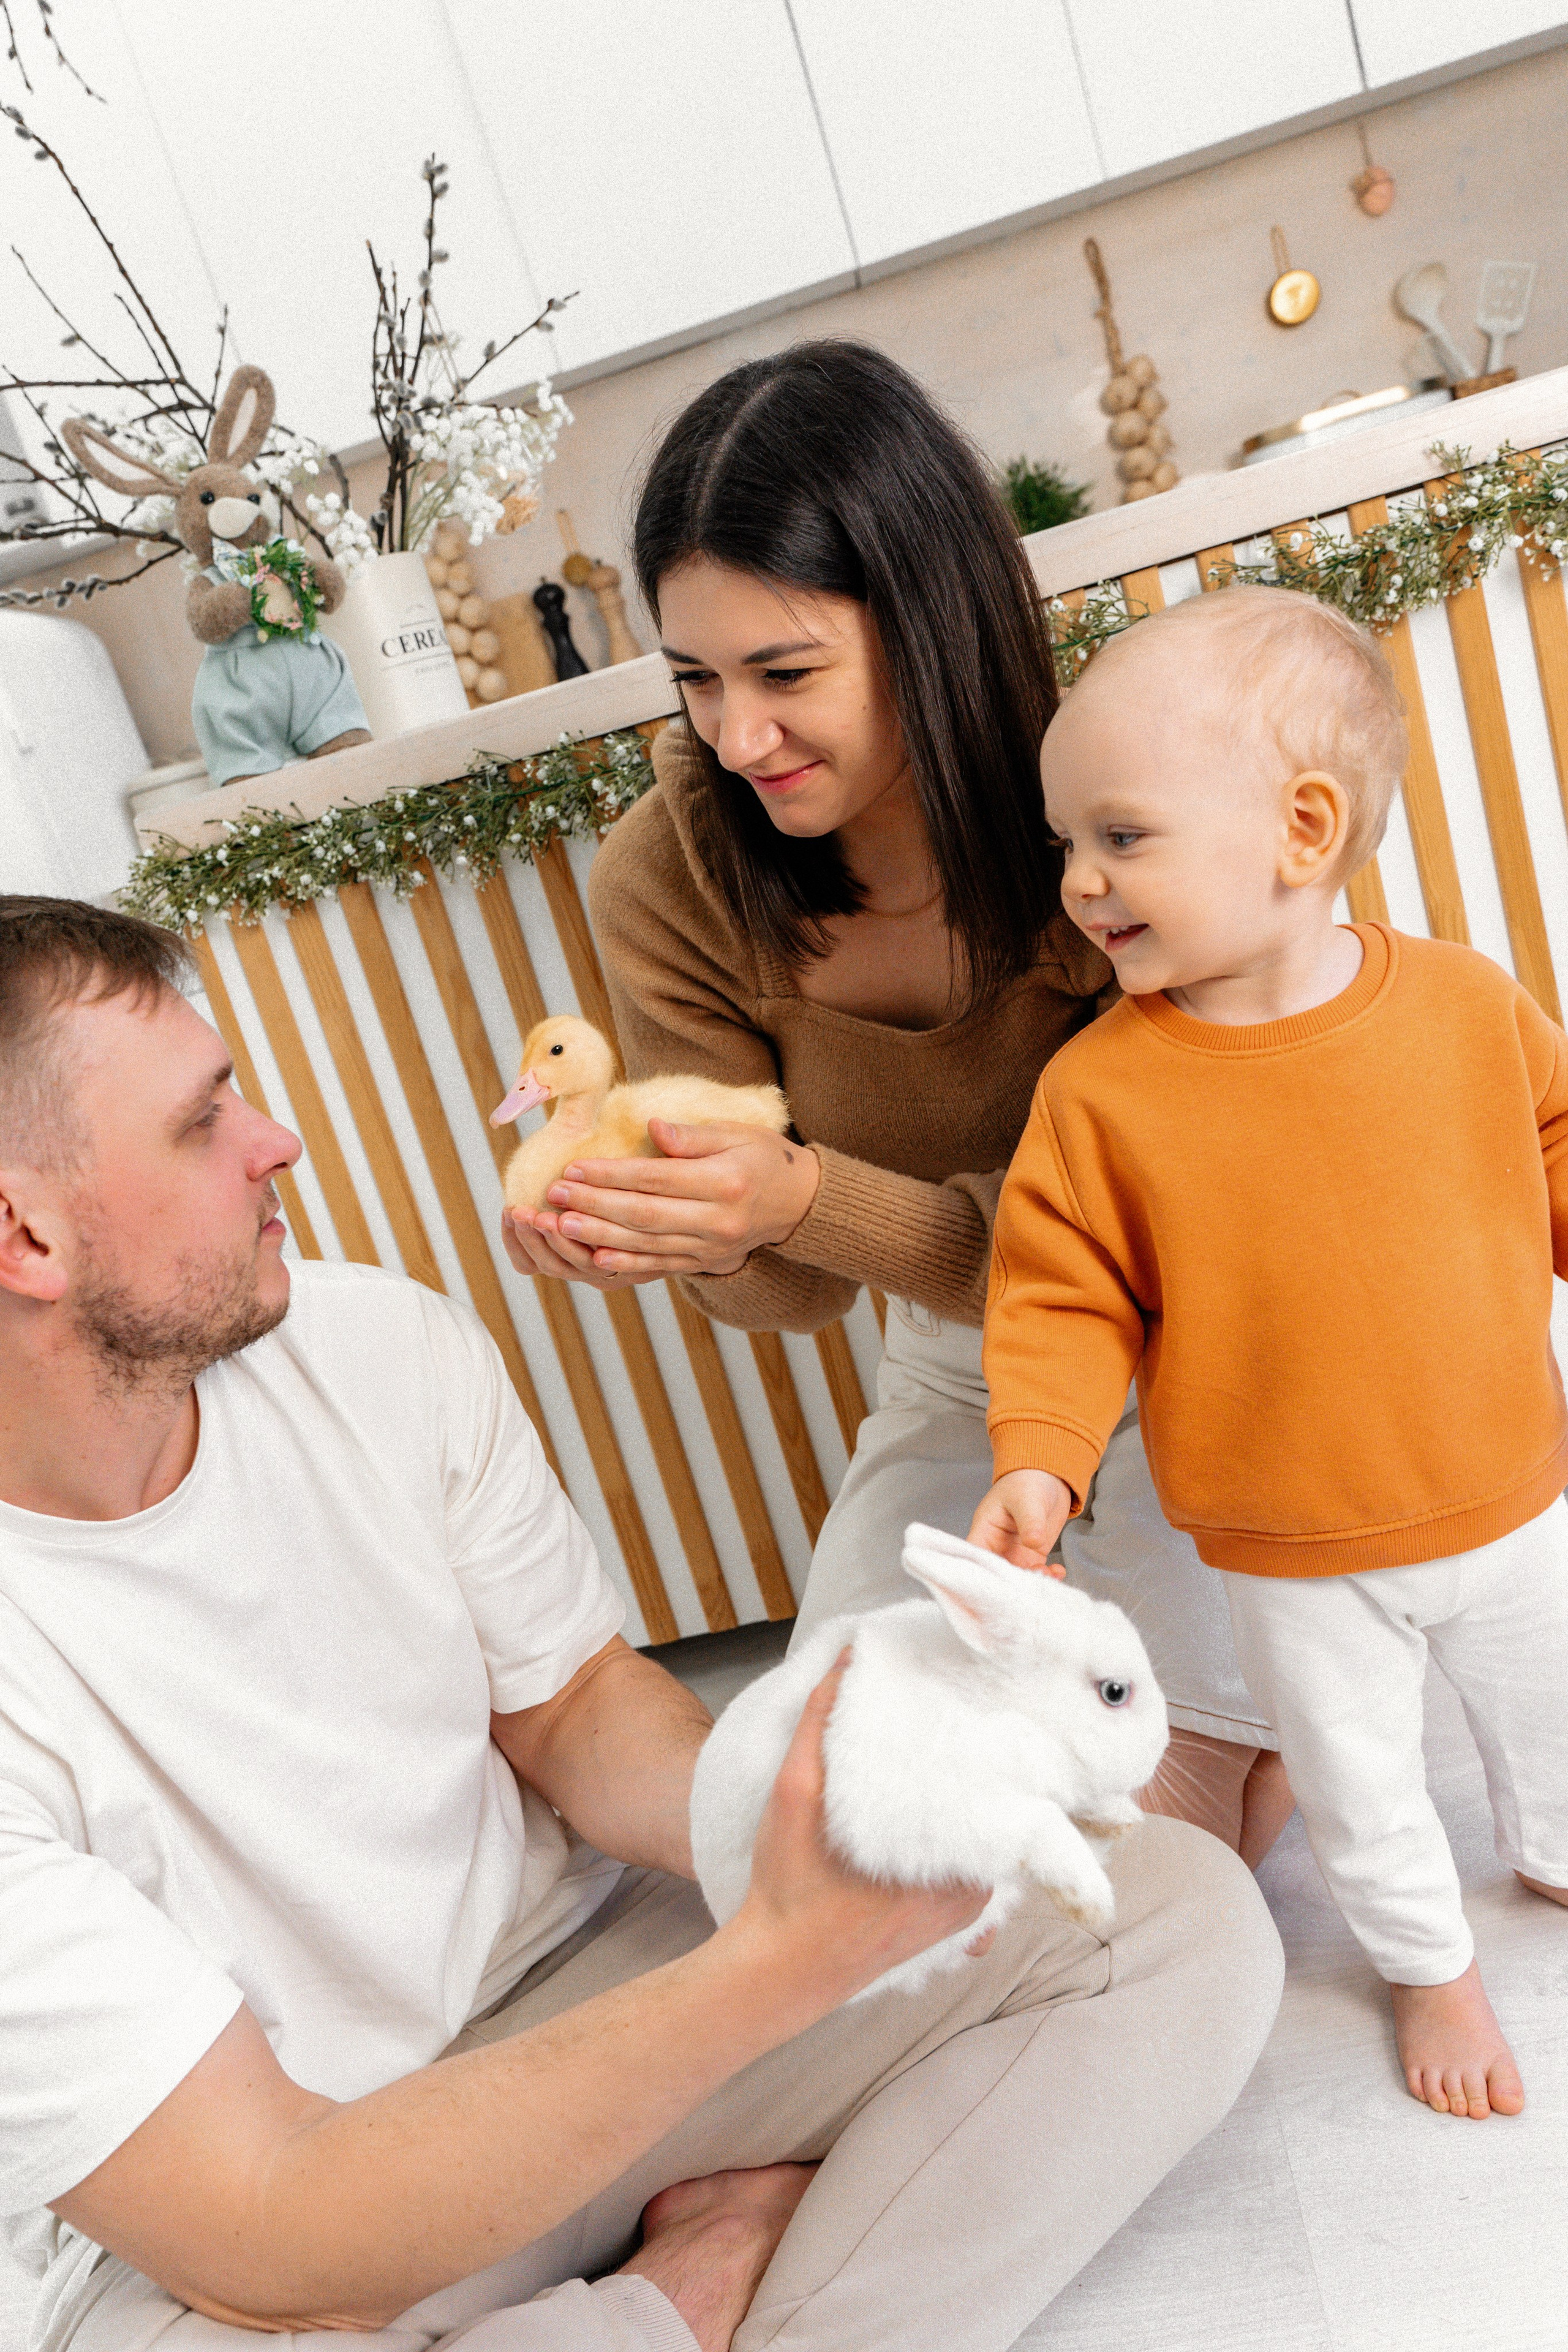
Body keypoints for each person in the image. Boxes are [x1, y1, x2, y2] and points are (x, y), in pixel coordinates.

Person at [0, 894, 1283, 2352]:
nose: (276, 1140)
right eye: (201, 1121)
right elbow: (259, 2226)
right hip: (295, 2183)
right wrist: (774, 1973)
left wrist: (819, 1824)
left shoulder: (373, 1344)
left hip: (588, 1987)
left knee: (1163, 1912)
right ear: (22, 1232)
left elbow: (570, 1709)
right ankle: (715, 2273)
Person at [500, 338, 1293, 1863]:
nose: (736, 739)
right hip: (962, 1367)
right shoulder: (671, 877)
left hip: (1216, 1331)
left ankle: (1272, 1728)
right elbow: (789, 1296)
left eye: (785, 674)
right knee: (836, 1808)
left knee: (1142, 1842)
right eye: (694, 680)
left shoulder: (1117, 788)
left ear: (926, 620)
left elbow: (1176, 1213)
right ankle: (1268, 1723)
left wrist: (806, 1196)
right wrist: (684, 1229)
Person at [969, 585, 1568, 2124]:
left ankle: (1555, 1852)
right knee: (1357, 1776)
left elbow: (1556, 1143)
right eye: (1065, 843)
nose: (1078, 882)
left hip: (1509, 1486)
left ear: (1301, 832)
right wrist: (1038, 1462)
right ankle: (1427, 1964)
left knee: (1552, 1708)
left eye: (1119, 835)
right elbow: (1059, 1294)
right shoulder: (1099, 1096)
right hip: (1292, 1549)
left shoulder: (1465, 1005)